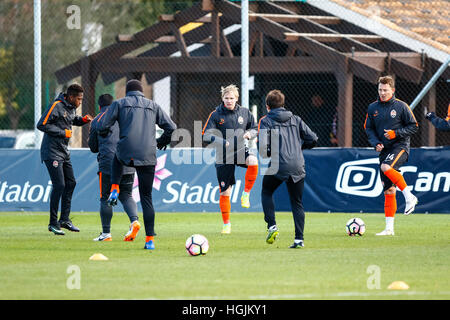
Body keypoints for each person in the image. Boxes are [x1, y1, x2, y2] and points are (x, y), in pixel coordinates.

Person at [97, 79, 176, 250]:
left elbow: (104, 125)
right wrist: (161, 141)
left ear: (127, 92)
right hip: (148, 153)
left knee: (117, 157)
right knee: (146, 198)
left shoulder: (119, 104)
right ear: (142, 92)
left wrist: (103, 132)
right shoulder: (153, 105)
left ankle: (115, 188)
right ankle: (149, 240)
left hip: (126, 149)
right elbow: (172, 127)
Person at [258, 89, 318, 248]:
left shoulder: (266, 121)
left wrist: (272, 152)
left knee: (266, 191)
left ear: (267, 106)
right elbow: (313, 139)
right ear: (283, 104)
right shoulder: (296, 119)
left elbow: (263, 151)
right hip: (298, 164)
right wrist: (299, 148)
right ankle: (299, 239)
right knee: (297, 202)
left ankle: (272, 226)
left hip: (279, 164)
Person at [364, 75, 419, 236]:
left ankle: (409, 196)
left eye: (385, 90)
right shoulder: (372, 108)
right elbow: (369, 129)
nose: (382, 93)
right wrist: (376, 143)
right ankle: (389, 229)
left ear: (392, 90)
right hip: (384, 150)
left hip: (400, 146)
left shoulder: (402, 106)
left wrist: (396, 133)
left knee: (386, 167)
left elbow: (414, 126)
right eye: (380, 90)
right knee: (388, 190)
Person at [37, 83, 93, 235]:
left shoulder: (70, 107)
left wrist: (83, 120)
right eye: (79, 99)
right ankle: (53, 223)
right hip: (51, 152)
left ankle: (65, 220)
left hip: (63, 152)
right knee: (59, 185)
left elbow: (71, 120)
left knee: (71, 183)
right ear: (71, 97)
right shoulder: (56, 105)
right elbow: (41, 124)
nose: (80, 102)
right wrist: (63, 133)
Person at [202, 84, 258, 234]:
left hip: (240, 150)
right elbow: (205, 135)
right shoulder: (215, 114)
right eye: (226, 98)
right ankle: (226, 224)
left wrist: (249, 135)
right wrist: (221, 141)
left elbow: (255, 128)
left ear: (236, 99)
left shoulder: (245, 113)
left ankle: (246, 194)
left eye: (231, 98)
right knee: (225, 192)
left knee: (253, 161)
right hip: (223, 155)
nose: (229, 101)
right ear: (222, 98)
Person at [88, 94, 141, 242]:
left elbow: (93, 147)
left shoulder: (97, 120)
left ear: (99, 107)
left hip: (108, 165)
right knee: (126, 195)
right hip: (128, 162)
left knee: (105, 198)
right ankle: (134, 221)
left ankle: (106, 234)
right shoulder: (125, 118)